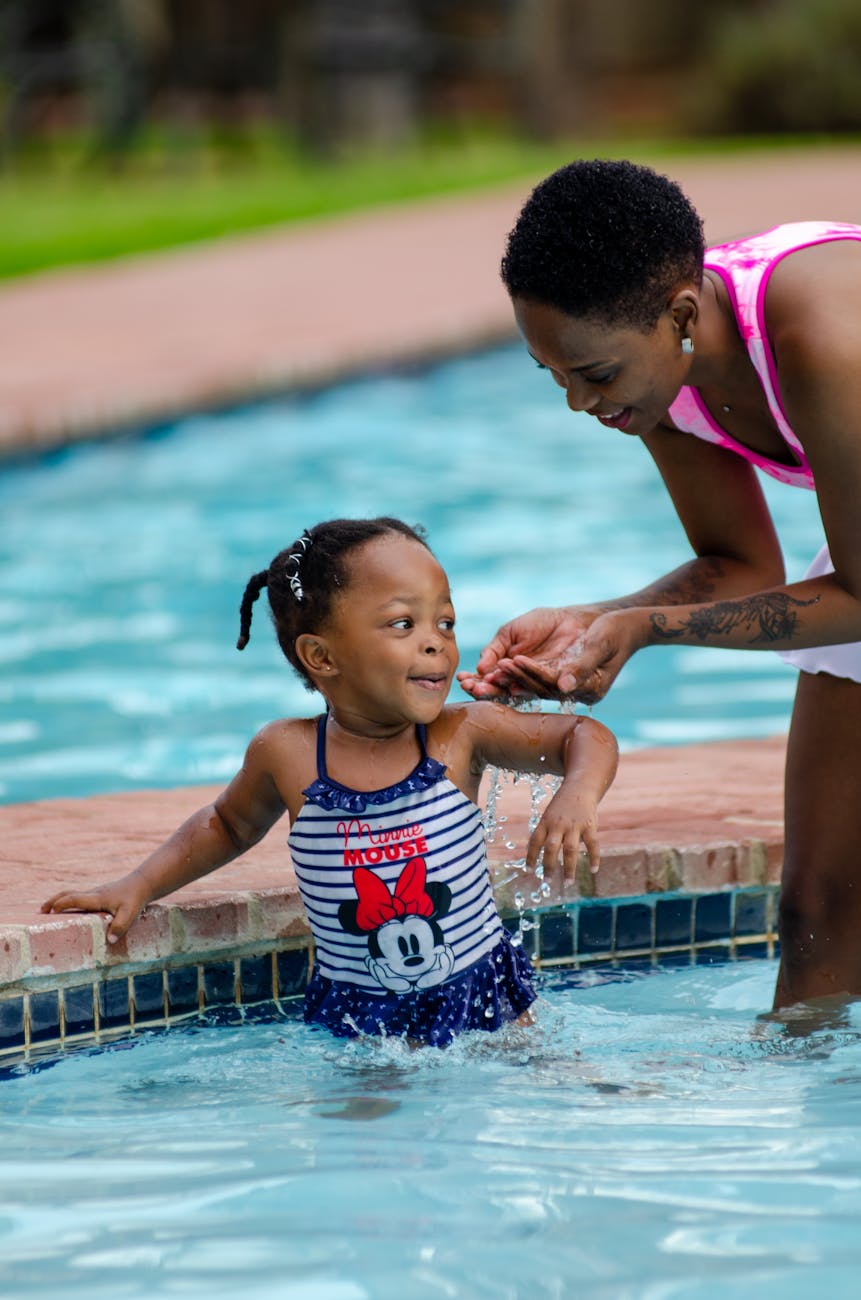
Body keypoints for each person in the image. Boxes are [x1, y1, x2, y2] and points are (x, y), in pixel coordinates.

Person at [457, 157, 861, 1013]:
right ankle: (811, 1113)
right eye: (555, 377)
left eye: (593, 375)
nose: (577, 404)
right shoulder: (661, 375)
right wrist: (592, 620)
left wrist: (648, 630)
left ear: (680, 315)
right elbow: (737, 564)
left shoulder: (822, 340)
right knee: (817, 910)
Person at [43, 517, 618, 1047]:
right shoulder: (289, 754)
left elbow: (585, 738)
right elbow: (227, 824)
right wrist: (139, 885)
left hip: (485, 1003)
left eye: (445, 621)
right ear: (321, 655)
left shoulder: (460, 733)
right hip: (358, 1015)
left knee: (551, 1078)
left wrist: (576, 794)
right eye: (404, 623)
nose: (435, 641)